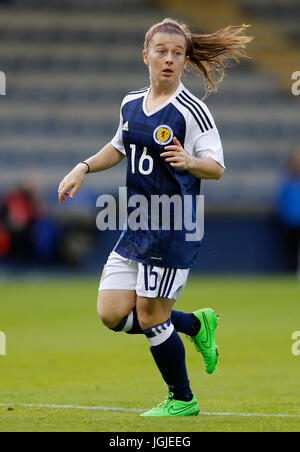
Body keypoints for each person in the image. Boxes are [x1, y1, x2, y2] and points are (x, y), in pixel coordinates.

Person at [58, 18, 252, 417]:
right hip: (136, 223)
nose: (169, 59)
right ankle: (196, 325)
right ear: (145, 55)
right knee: (111, 314)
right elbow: (118, 147)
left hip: (173, 227)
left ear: (184, 61)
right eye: (161, 51)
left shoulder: (192, 111)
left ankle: (182, 399)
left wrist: (190, 160)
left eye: (177, 53)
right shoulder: (131, 103)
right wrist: (83, 167)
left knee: (148, 315)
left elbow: (216, 167)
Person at [277, 145, 300, 276]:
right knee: (290, 254)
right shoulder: (288, 181)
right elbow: (284, 201)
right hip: (291, 223)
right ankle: (291, 274)